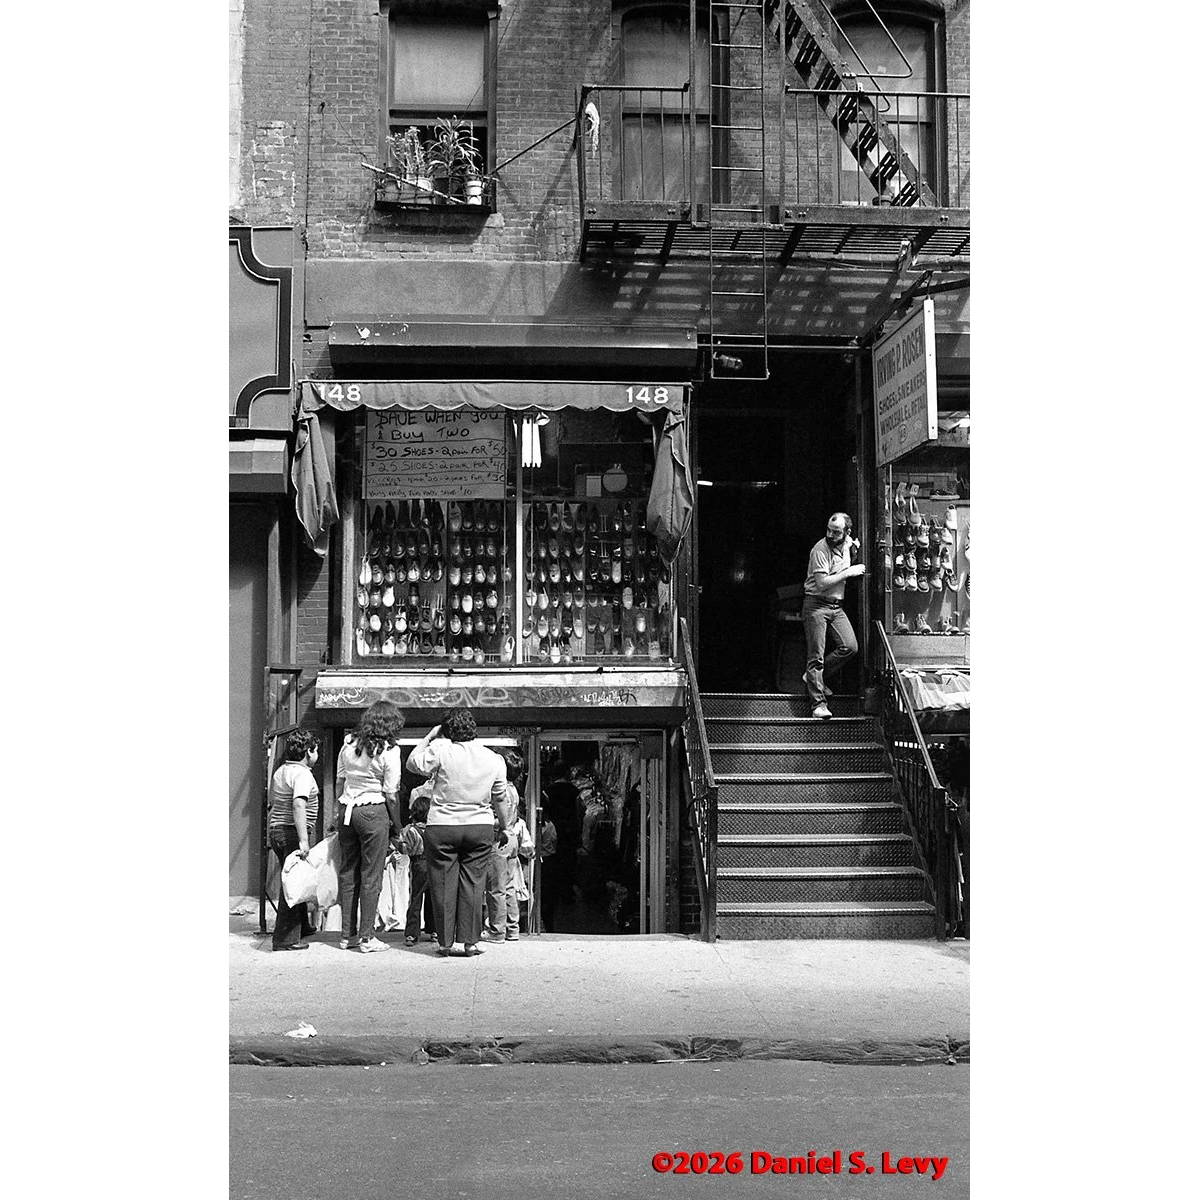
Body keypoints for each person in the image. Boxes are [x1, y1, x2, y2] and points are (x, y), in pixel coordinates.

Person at [406, 707, 510, 957]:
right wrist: (504, 827)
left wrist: (430, 736)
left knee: (442, 884)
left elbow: (412, 763)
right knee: (474, 884)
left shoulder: (441, 751)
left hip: (442, 825)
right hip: (479, 825)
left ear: (446, 731)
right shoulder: (493, 758)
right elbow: (500, 798)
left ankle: (444, 942)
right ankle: (470, 942)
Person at [333, 699, 406, 953]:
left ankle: (347, 935)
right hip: (373, 810)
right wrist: (398, 826)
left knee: (348, 872)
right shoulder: (389, 751)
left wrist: (337, 811)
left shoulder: (348, 744)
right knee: (371, 875)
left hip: (347, 809)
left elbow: (340, 780)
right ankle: (367, 937)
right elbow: (391, 794)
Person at [801, 511, 866, 719]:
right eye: (829, 530)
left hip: (836, 606)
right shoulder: (820, 549)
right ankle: (818, 706)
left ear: (847, 532)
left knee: (850, 647)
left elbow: (847, 556)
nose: (830, 535)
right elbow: (822, 583)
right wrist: (849, 572)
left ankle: (812, 678)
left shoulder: (847, 544)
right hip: (817, 605)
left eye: (836, 532)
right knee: (816, 657)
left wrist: (853, 553)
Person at [268, 729, 321, 951]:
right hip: (291, 832)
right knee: (292, 883)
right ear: (308, 752)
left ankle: (302, 927)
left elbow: (275, 801)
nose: (317, 755)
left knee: (295, 877)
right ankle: (285, 939)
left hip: (278, 830)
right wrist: (303, 841)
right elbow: (298, 804)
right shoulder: (302, 774)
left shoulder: (281, 771)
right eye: (315, 751)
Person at [494, 749, 530, 942]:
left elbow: (500, 819)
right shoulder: (514, 790)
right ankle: (512, 928)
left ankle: (497, 929)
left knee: (497, 887)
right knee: (508, 886)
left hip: (501, 838)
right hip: (512, 839)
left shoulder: (501, 791)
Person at [402, 780, 432, 947]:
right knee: (432, 898)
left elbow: (409, 850)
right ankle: (434, 930)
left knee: (415, 898)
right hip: (433, 864)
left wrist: (399, 844)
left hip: (418, 864)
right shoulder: (433, 829)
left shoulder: (412, 831)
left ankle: (412, 933)